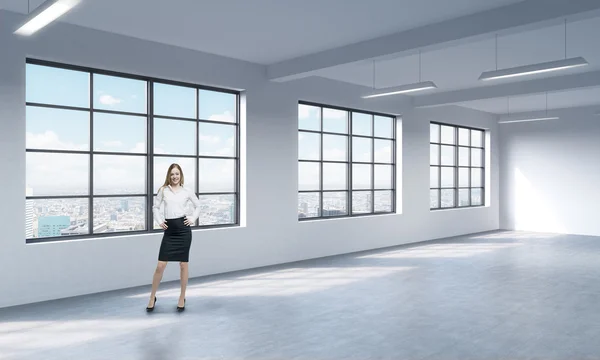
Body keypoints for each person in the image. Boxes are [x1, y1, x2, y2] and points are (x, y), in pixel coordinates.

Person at [146, 163, 201, 313]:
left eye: (177, 174)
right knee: (160, 266)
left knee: (183, 265)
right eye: (172, 174)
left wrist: (192, 218)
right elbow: (155, 207)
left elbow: (198, 205)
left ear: (180, 175)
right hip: (170, 231)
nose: (175, 177)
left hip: (184, 231)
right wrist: (159, 221)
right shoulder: (163, 190)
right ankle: (152, 297)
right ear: (168, 176)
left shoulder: (187, 191)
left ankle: (182, 297)